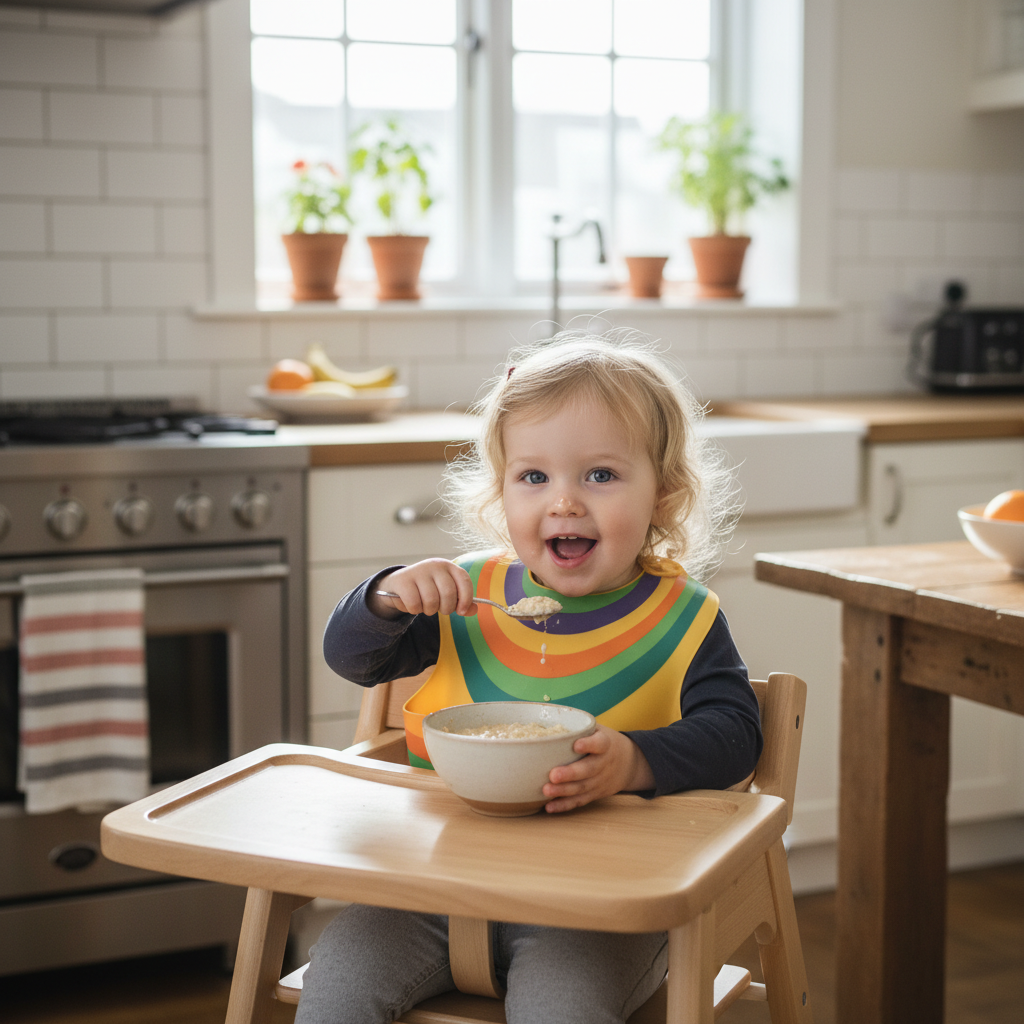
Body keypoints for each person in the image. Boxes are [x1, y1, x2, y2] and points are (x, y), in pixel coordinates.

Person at [297, 331, 762, 1024]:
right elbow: (353, 659)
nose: (564, 502)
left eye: (599, 475)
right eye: (534, 477)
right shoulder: (465, 599)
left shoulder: (684, 618)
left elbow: (734, 735)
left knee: (563, 1011)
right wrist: (385, 597)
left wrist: (635, 761)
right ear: (502, 491)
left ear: (662, 496)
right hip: (433, 885)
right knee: (334, 992)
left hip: (597, 905)